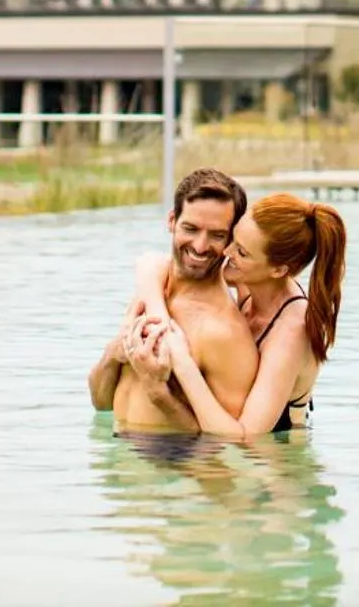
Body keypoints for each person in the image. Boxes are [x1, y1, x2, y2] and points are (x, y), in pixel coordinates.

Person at [132, 193, 346, 440]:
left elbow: (243, 437)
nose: (225, 252)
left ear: (278, 270)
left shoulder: (291, 333)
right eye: (232, 239)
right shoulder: (250, 280)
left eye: (242, 252)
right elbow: (150, 263)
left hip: (276, 461)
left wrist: (181, 361)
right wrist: (161, 322)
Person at [88, 168, 256, 433]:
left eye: (217, 235)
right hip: (118, 464)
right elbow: (101, 404)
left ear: (231, 239)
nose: (200, 246)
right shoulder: (151, 293)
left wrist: (158, 393)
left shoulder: (224, 333)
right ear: (171, 221)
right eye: (190, 229)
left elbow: (223, 448)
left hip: (169, 470)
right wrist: (113, 354)